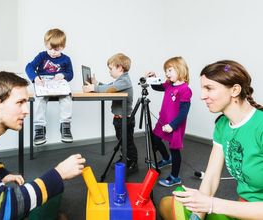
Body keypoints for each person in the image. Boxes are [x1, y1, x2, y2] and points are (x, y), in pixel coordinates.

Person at [0, 71, 86, 219]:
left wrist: (2, 173)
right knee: (51, 186)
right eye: (20, 102)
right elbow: (1, 210)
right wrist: (59, 173)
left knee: (52, 194)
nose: (26, 111)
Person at [159, 60, 263, 220]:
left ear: (235, 90)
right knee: (167, 203)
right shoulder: (222, 125)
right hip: (242, 209)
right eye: (202, 88)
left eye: (209, 88)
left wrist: (211, 204)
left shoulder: (260, 126)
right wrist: (198, 215)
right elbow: (211, 177)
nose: (202, 96)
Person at [82, 53, 138, 174]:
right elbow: (110, 86)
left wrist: (94, 88)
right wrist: (97, 84)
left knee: (127, 142)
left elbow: (109, 89)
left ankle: (132, 162)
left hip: (125, 119)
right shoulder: (119, 80)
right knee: (121, 140)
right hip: (118, 118)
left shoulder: (124, 81)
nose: (109, 71)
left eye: (111, 68)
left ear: (120, 68)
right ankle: (125, 158)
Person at [146, 56, 192, 187]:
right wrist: (153, 78)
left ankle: (175, 177)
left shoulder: (185, 90)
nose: (167, 73)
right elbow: (157, 87)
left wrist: (172, 126)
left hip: (175, 125)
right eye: (166, 71)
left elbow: (184, 111)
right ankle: (166, 159)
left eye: (170, 70)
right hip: (163, 121)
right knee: (155, 139)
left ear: (180, 70)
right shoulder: (168, 84)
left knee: (175, 149)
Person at [26, 28, 74, 145]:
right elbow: (29, 67)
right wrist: (35, 78)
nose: (52, 52)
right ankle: (39, 128)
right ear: (45, 45)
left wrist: (63, 75)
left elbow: (70, 74)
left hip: (59, 83)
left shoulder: (66, 59)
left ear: (63, 47)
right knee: (39, 99)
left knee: (67, 98)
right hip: (44, 82)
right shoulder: (42, 56)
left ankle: (65, 126)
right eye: (50, 48)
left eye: (56, 49)